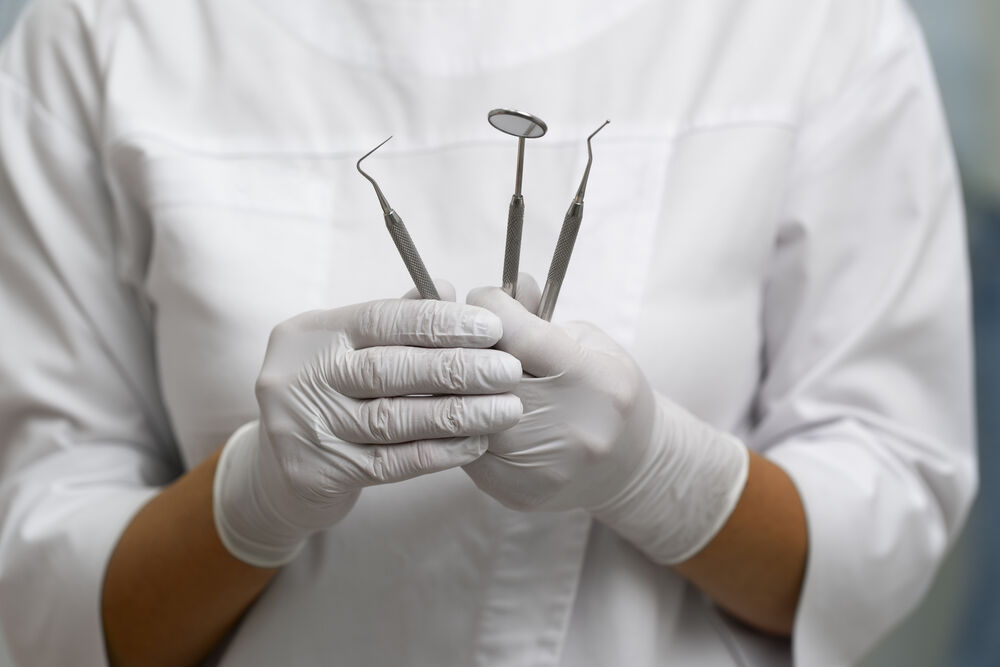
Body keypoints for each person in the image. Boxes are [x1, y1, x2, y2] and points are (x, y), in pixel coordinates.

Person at [0, 0, 976, 665]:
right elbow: (44, 589)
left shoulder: (814, 27)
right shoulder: (102, 32)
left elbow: (885, 505)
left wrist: (663, 475)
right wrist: (249, 500)